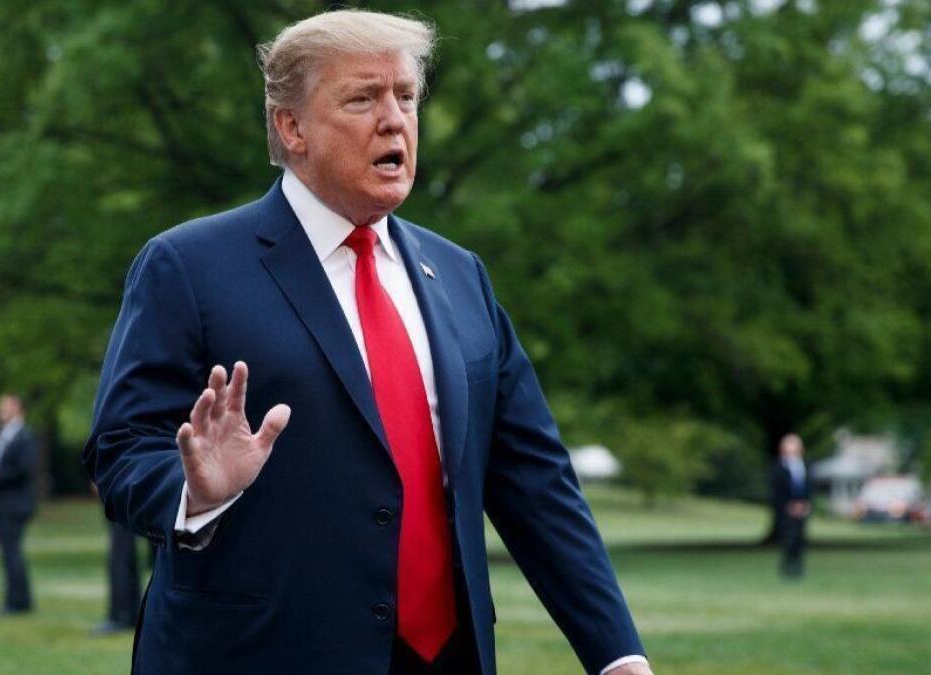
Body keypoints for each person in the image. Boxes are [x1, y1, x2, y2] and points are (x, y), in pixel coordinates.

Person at [84, 10, 650, 675]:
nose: (394, 120)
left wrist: (618, 653)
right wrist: (195, 490)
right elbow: (120, 450)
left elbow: (536, 481)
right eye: (362, 98)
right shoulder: (187, 266)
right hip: (262, 654)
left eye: (406, 97)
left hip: (449, 657)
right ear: (291, 127)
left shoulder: (461, 276)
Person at [0, 394, 38, 615]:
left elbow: (24, 469)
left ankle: (18, 601)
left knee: (12, 551)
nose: (0, 410)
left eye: (5, 406)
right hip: (1, 502)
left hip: (16, 503)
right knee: (8, 551)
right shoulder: (1, 436)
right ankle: (16, 598)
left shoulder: (24, 437)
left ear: (17, 408)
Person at [91, 482, 149, 635]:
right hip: (130, 483)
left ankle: (120, 614)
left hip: (121, 484)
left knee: (120, 552)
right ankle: (133, 611)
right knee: (126, 551)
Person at [771, 433, 811, 578]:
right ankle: (786, 566)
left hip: (802, 507)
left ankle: (798, 565)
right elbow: (777, 490)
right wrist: (788, 505)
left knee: (800, 538)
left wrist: (805, 503)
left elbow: (809, 487)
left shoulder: (804, 465)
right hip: (786, 508)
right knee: (788, 537)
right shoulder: (779, 467)